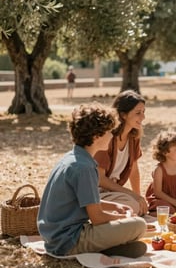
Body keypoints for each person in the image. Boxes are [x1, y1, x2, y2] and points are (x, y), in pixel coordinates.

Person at [37, 103, 147, 257]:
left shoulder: (73, 158)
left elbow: (83, 200)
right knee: (139, 225)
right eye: (109, 132)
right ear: (96, 136)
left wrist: (114, 205)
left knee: (131, 227)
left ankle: (105, 247)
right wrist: (121, 217)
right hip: (68, 241)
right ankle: (99, 248)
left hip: (54, 238)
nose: (112, 135)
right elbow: (97, 218)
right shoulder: (84, 168)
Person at [94, 90, 148, 216]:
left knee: (135, 204)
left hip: (113, 193)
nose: (143, 117)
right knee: (132, 205)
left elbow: (134, 171)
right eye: (138, 113)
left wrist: (139, 197)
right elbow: (100, 179)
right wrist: (133, 196)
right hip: (95, 193)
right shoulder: (107, 138)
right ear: (123, 115)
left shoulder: (133, 138)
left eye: (143, 112)